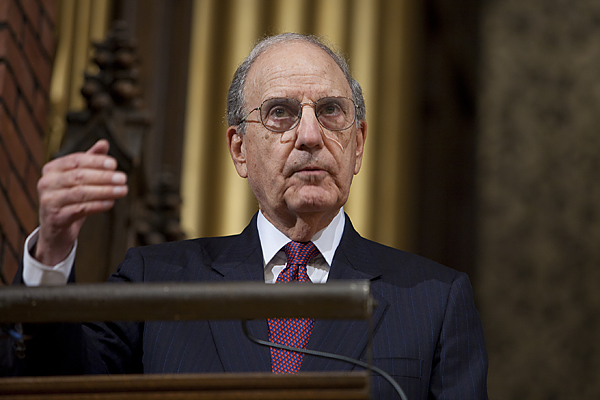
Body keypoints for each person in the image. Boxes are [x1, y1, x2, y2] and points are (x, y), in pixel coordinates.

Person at [8, 33, 488, 399]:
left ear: (358, 144)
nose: (309, 136)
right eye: (280, 113)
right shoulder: (156, 282)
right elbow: (57, 384)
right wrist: (51, 253)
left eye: (330, 112)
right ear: (239, 149)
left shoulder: (434, 301)